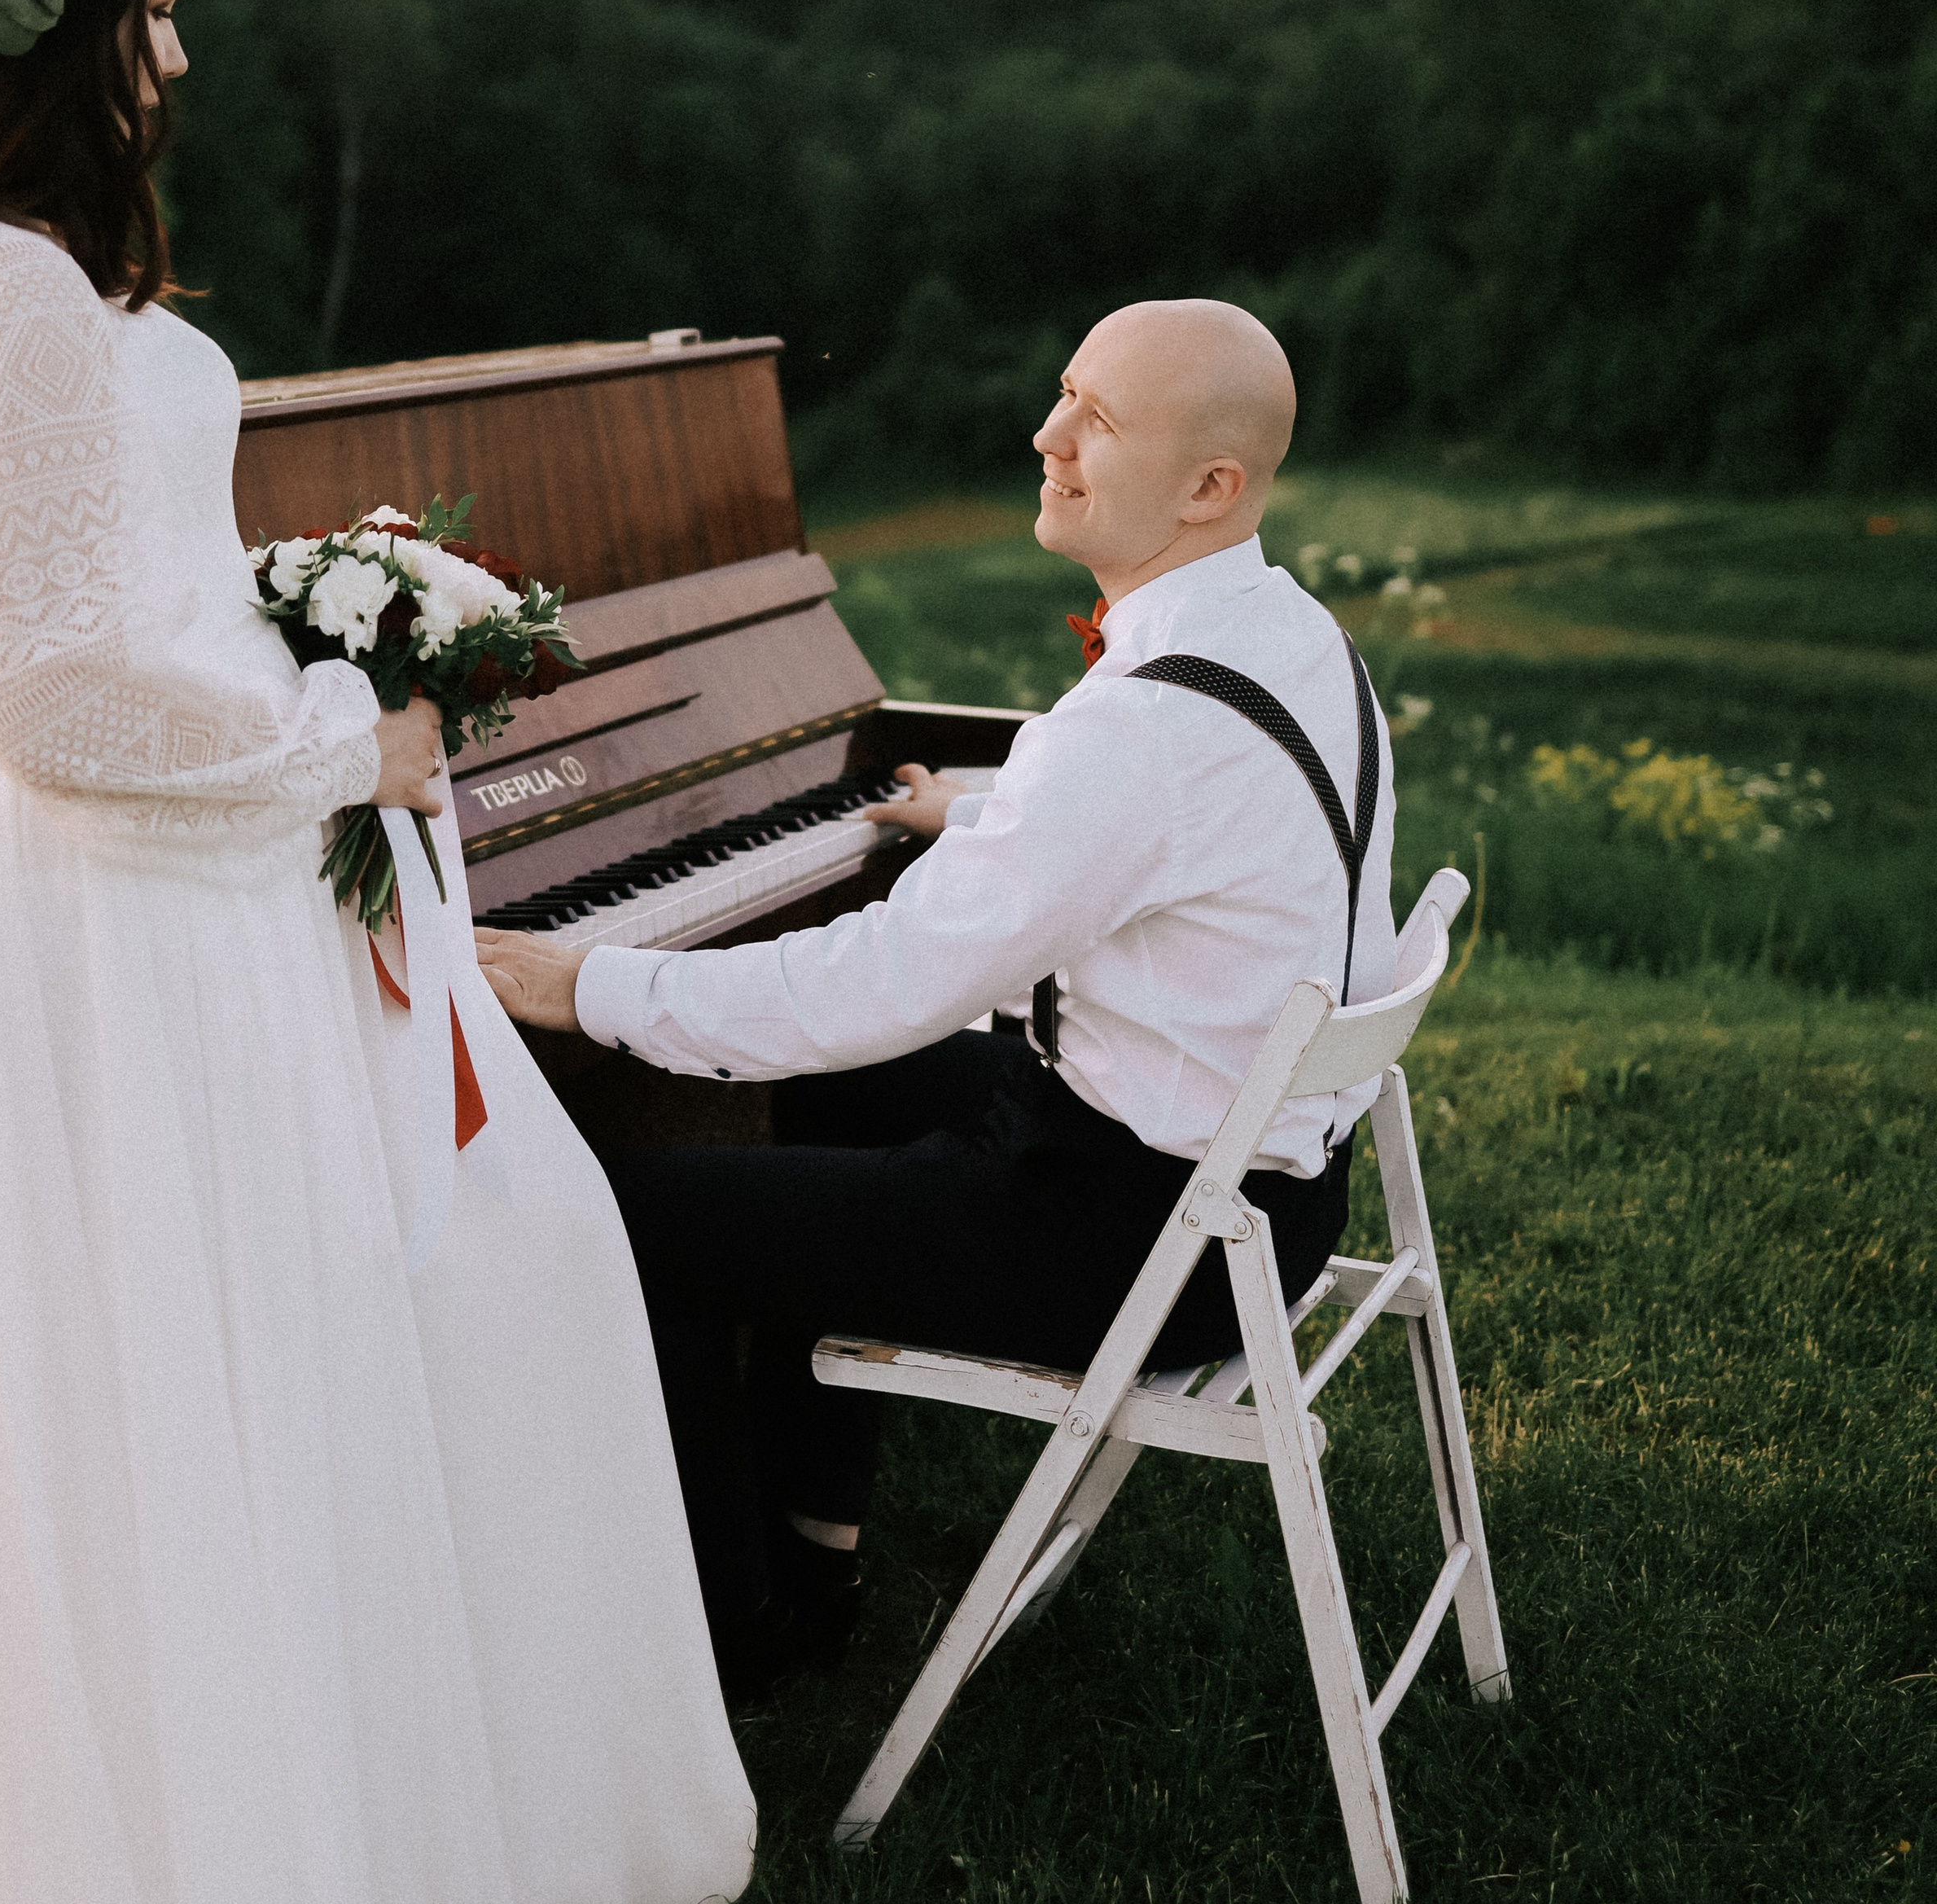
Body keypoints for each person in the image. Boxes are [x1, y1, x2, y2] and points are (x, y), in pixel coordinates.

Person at [0, 0, 753, 1904]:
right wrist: (341, 736)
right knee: (192, 1387)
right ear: (54, 26)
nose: (182, 61)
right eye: (158, 15)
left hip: (36, 885)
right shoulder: (3, 292)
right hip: (121, 893)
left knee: (128, 1415)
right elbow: (53, 695)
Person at [478, 296, 1397, 1695]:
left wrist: (585, 981)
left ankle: (738, 1639)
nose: (1049, 434)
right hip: (1260, 1199)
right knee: (826, 1092)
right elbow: (1159, 830)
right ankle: (814, 1532)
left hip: (1140, 1236)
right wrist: (975, 816)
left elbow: (886, 982)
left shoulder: (1140, 732)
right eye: (1064, 391)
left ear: (1212, 487)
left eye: (1100, 418)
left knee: (634, 1212)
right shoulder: (1291, 633)